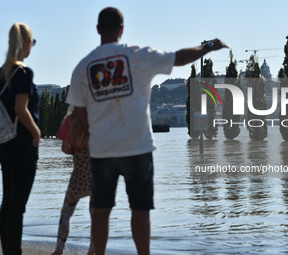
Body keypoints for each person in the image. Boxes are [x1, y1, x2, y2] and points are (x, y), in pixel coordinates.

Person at [66, 7, 229, 255]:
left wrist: (93, 141)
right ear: (122, 29)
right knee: (140, 211)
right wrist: (207, 46)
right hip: (137, 147)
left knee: (101, 211)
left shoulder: (83, 66)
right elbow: (179, 57)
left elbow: (79, 115)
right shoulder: (137, 56)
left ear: (98, 30)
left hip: (101, 151)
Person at [0, 22, 41, 255]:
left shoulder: (1, 73)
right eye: (32, 43)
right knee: (18, 207)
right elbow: (20, 107)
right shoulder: (24, 72)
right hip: (23, 145)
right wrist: (36, 133)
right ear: (26, 44)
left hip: (4, 145)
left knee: (7, 203)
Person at [51, 107, 95, 255]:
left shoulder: (70, 120)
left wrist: (76, 151)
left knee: (66, 213)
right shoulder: (97, 118)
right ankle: (93, 249)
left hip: (78, 175)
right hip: (96, 174)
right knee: (95, 214)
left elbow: (64, 148)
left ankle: (59, 250)